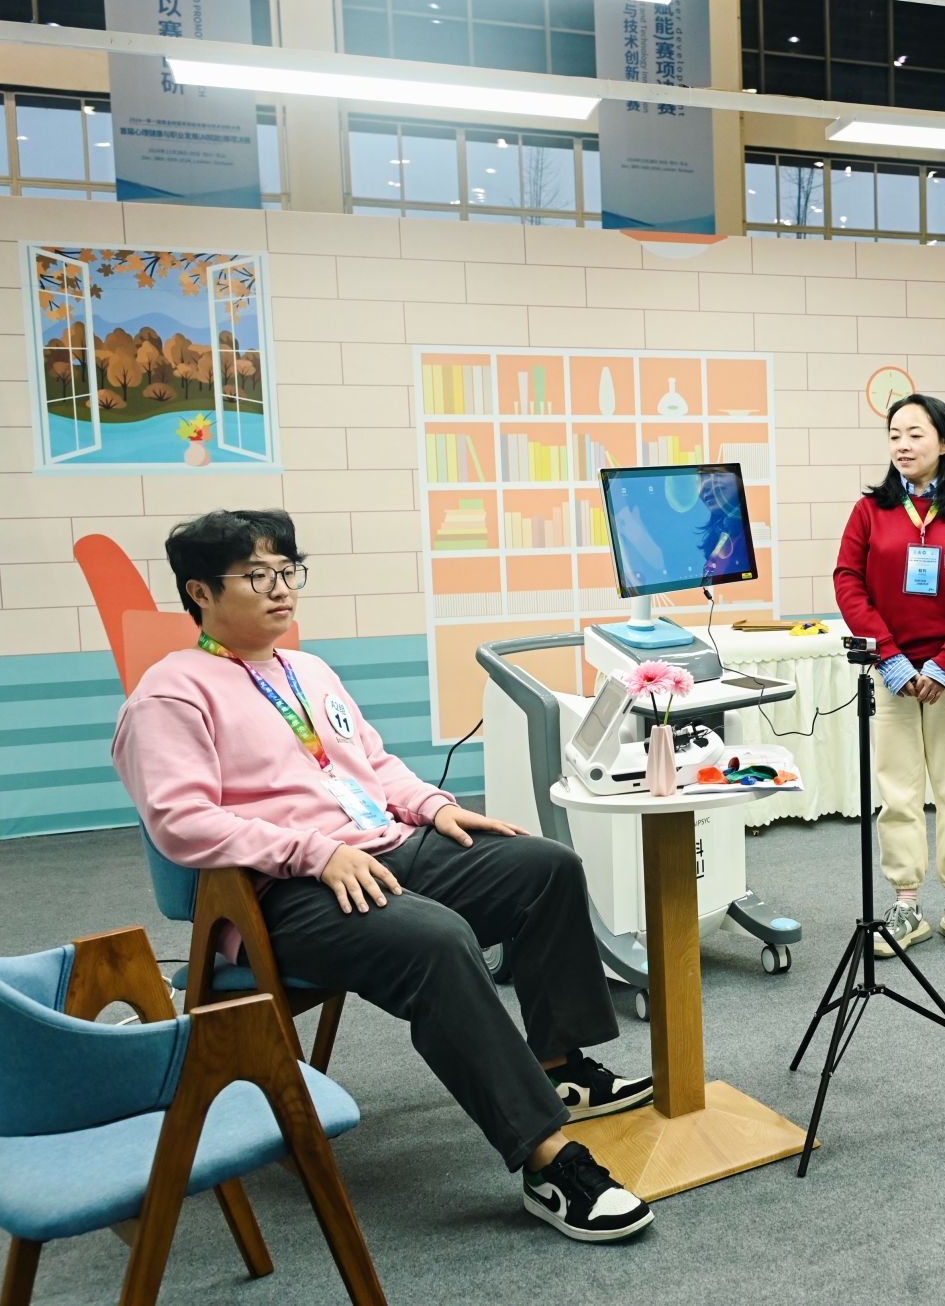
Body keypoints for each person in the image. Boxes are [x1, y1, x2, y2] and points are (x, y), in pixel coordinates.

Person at [111, 510, 655, 1243]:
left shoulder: (306, 670)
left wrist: (434, 807)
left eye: (287, 571)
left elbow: (371, 762)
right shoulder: (169, 694)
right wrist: (312, 853)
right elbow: (182, 824)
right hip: (281, 890)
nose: (281, 590)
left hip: (382, 847)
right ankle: (547, 1159)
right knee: (436, 941)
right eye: (257, 576)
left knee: (542, 866)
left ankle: (560, 1064)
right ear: (200, 592)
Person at [833, 394, 945, 956]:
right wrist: (889, 658)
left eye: (915, 434)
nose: (902, 446)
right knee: (899, 792)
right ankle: (906, 905)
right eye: (894, 435)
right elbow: (848, 582)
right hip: (892, 675)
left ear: (944, 442)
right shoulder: (870, 511)